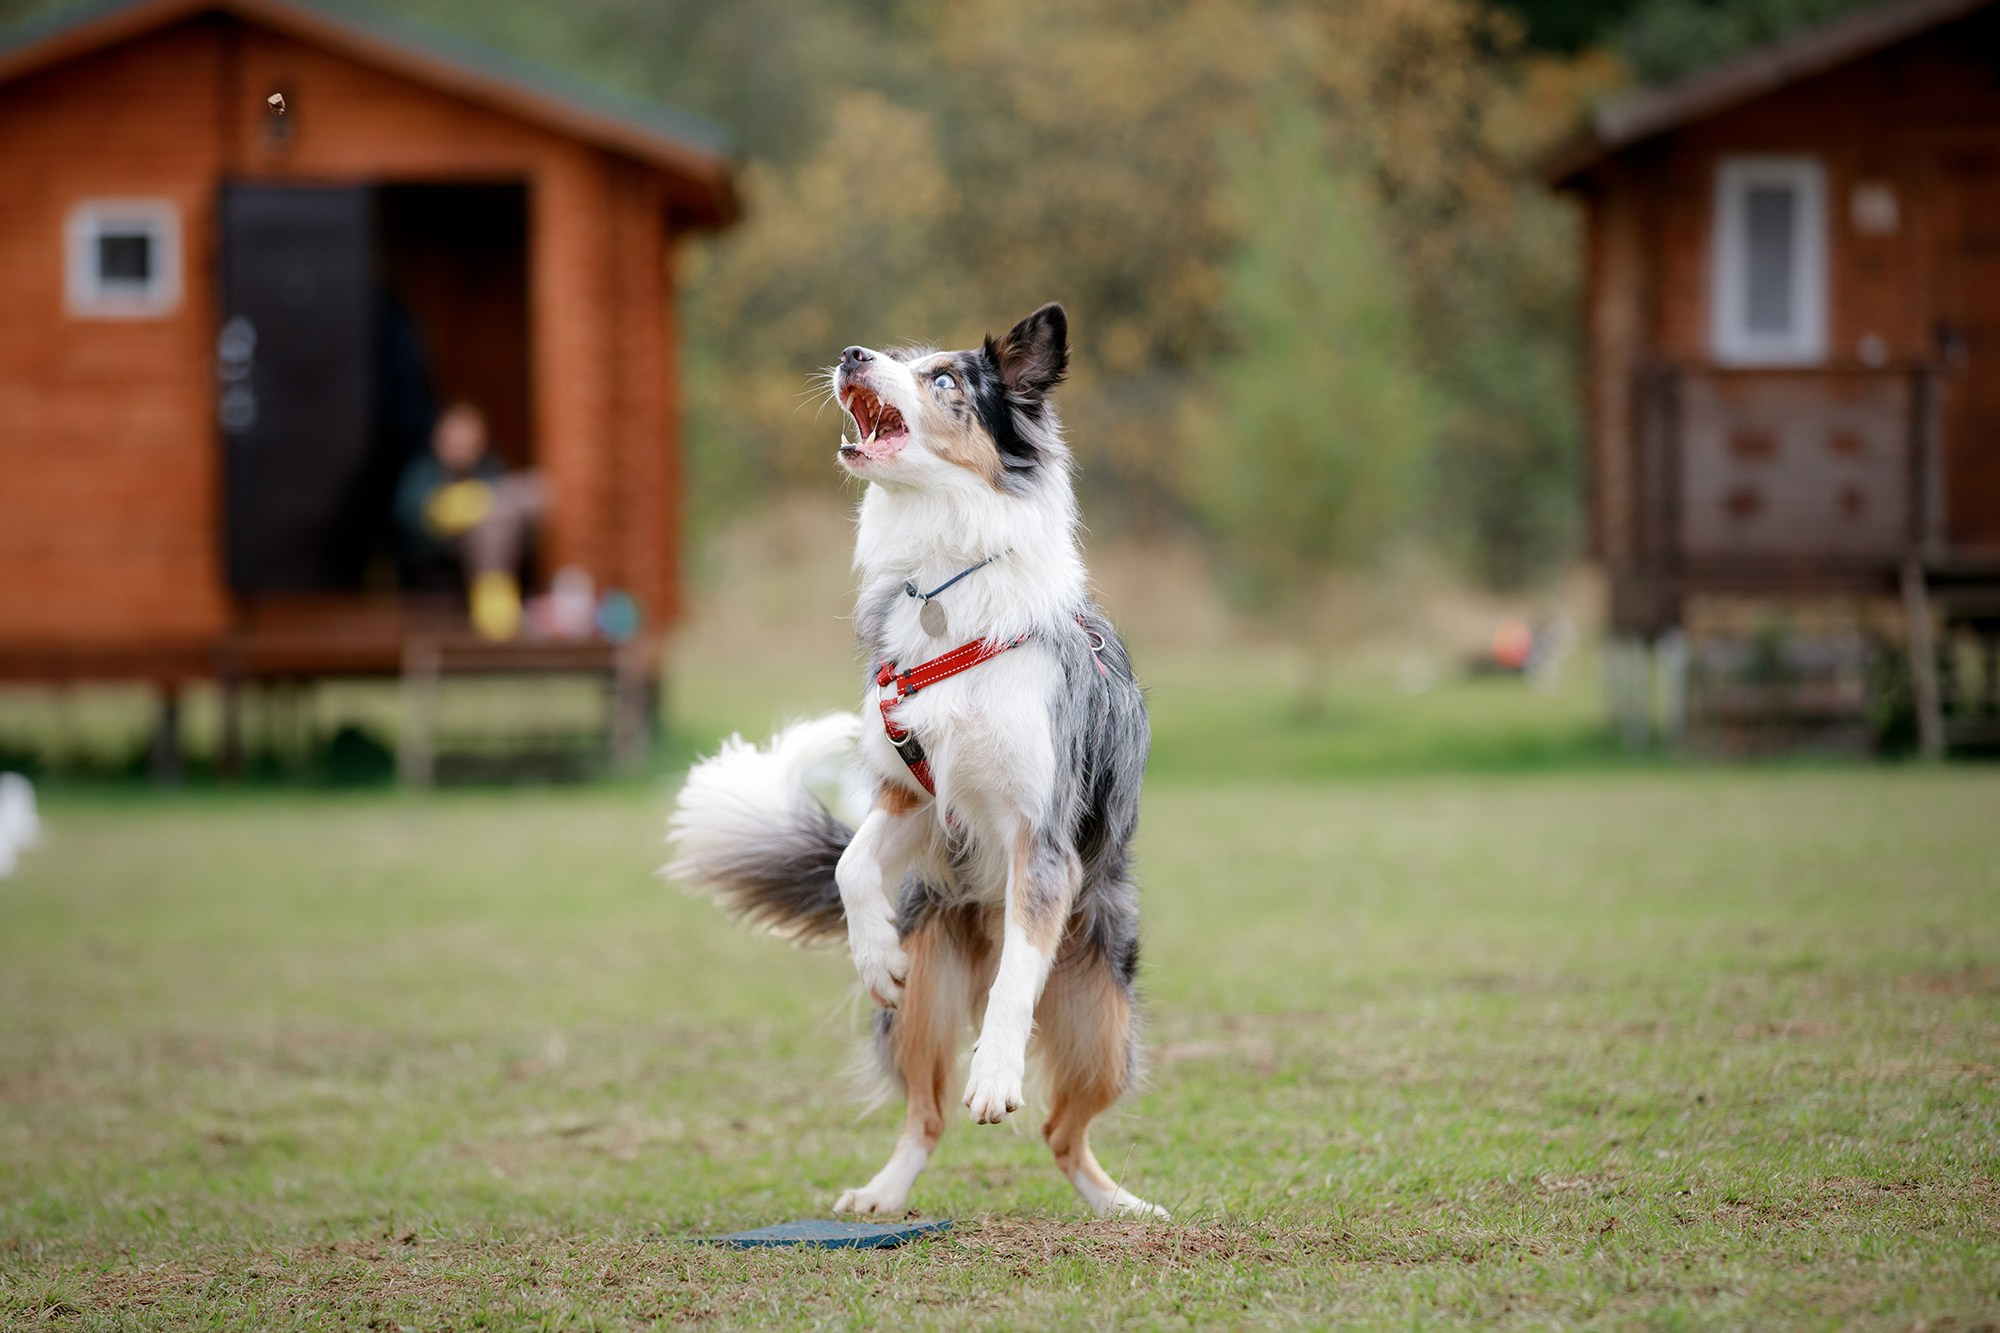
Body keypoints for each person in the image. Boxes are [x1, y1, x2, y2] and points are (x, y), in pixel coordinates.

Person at [395, 402, 546, 639]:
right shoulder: (423, 472)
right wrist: (473, 504)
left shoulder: (490, 469)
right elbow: (415, 516)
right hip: (437, 563)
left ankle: (495, 597)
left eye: (469, 434)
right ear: (439, 436)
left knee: (531, 493)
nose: (462, 442)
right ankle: (493, 598)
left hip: (488, 559)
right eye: (455, 433)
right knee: (502, 507)